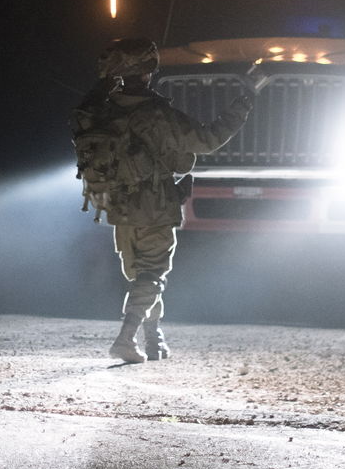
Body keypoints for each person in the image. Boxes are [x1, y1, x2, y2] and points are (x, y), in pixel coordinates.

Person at [74, 38, 253, 363]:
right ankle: (126, 339)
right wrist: (244, 101)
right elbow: (208, 139)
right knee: (152, 275)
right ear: (147, 72)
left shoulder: (102, 109)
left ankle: (153, 338)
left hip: (118, 207)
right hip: (155, 206)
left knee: (141, 276)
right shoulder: (154, 112)